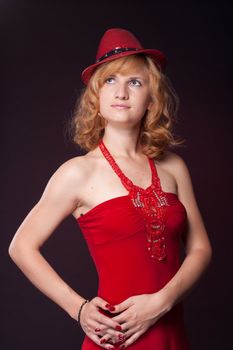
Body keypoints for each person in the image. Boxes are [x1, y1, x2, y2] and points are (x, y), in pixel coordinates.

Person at [8, 28, 212, 350]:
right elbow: (21, 247)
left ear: (151, 98)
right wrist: (78, 309)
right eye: (110, 81)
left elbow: (201, 249)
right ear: (96, 96)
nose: (121, 93)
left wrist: (161, 302)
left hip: (172, 334)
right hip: (116, 337)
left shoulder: (173, 166)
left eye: (134, 82)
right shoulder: (77, 172)